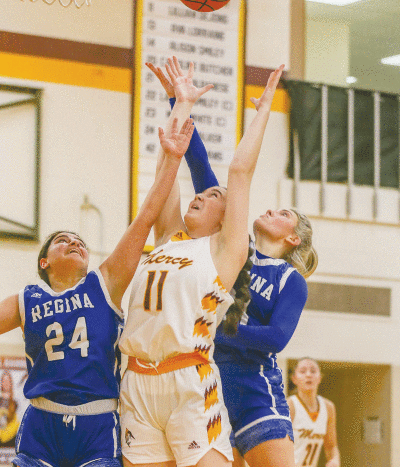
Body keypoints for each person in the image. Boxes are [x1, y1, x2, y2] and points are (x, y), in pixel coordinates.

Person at [146, 60, 318, 467]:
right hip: (208, 383)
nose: (271, 211)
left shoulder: (289, 279)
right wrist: (178, 100)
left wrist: (216, 327)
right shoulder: (231, 246)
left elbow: (276, 338)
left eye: (282, 214)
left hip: (255, 387)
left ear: (292, 238)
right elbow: (203, 169)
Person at [0, 115, 194, 467]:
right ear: (44, 262)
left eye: (80, 242)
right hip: (42, 422)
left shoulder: (104, 284)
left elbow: (146, 217)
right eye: (63, 241)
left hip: (98, 422)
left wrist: (172, 159)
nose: (74, 242)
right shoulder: (27, 299)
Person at [119, 56, 285, 467]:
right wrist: (182, 104)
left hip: (189, 381)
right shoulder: (168, 236)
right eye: (203, 192)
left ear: (227, 220)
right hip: (137, 380)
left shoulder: (224, 252)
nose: (202, 195)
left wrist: (264, 110)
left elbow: (240, 170)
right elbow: (167, 169)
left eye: (214, 197)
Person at [288, 358, 340, 467]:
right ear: (294, 378)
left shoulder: (328, 407)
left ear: (320, 377)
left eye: (313, 371)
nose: (308, 375)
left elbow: (331, 446)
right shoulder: (289, 405)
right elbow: (278, 448)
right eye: (302, 371)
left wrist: (334, 460)